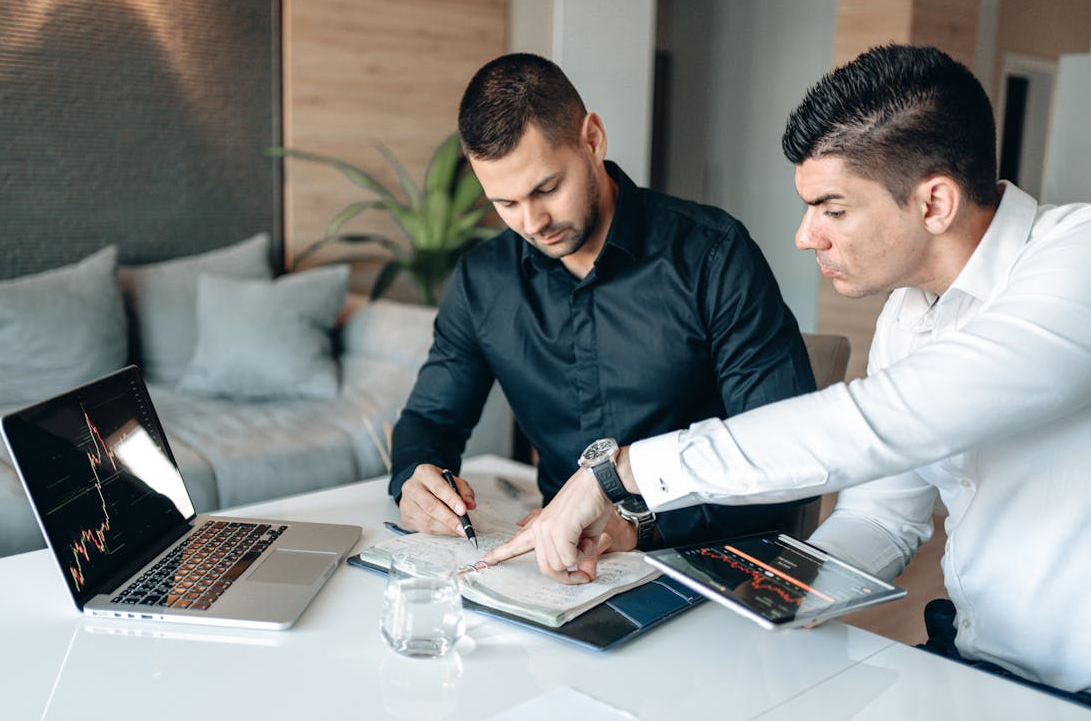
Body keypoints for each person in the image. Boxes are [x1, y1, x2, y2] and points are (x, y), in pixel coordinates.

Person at [485, 44, 1091, 703]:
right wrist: (767, 602)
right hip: (973, 659)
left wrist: (623, 472)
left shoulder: (1076, 262)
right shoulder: (908, 315)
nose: (807, 236)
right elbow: (885, 518)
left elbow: (884, 422)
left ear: (935, 202)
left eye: (832, 208)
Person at [389, 52, 817, 556]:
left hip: (707, 556)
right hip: (563, 561)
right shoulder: (483, 281)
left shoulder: (712, 256)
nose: (532, 222)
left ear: (592, 139)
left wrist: (638, 526)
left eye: (547, 188)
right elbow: (431, 420)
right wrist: (416, 478)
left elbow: (784, 456)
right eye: (504, 203)